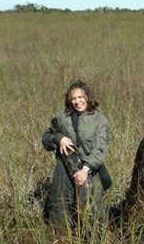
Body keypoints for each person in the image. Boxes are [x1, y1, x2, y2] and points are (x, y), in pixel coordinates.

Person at [41, 80, 111, 228]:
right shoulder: (62, 117)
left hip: (90, 170)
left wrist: (85, 170)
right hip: (64, 170)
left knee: (94, 214)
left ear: (88, 97)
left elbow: (100, 149)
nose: (77, 102)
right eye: (73, 99)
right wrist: (59, 139)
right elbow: (46, 138)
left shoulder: (99, 120)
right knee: (61, 210)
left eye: (80, 97)